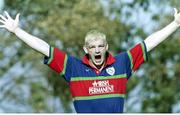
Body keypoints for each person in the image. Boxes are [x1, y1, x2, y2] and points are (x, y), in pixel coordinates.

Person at [0, 8, 180, 113]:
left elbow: (149, 43)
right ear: (86, 49)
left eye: (100, 46)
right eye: (93, 47)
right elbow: (43, 47)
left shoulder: (122, 62)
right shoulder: (73, 67)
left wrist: (175, 24)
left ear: (106, 47)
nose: (97, 50)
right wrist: (17, 32)